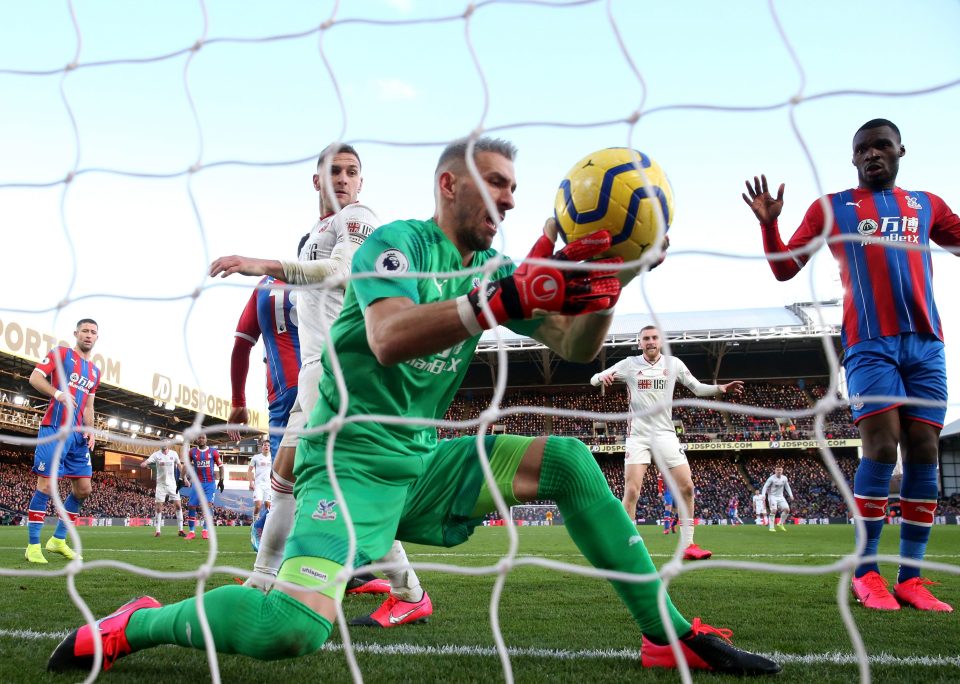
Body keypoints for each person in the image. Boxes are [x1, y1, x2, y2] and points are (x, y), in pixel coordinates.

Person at [47, 137, 779, 676]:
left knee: (571, 461)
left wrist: (608, 288)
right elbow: (389, 335)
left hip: (423, 463)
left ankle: (666, 634)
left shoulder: (491, 269)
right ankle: (140, 624)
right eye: (496, 184)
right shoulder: (395, 245)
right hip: (346, 469)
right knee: (288, 629)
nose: (512, 201)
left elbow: (575, 347)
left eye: (516, 190)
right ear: (450, 186)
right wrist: (499, 298)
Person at [742, 118, 959, 612]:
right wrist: (769, 223)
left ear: (901, 149)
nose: (873, 154)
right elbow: (783, 268)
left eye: (882, 146)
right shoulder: (834, 207)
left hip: (927, 344)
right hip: (869, 344)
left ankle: (912, 578)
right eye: (863, 149)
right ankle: (865, 573)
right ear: (853, 158)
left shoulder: (927, 205)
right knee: (882, 447)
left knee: (924, 449)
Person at [209, 143, 401, 616]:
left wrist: (262, 265)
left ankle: (268, 580)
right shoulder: (310, 235)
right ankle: (264, 579)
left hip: (344, 371)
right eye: (333, 171)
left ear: (360, 182)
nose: (342, 178)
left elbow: (339, 274)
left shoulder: (360, 217)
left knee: (316, 486)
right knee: (288, 484)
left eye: (351, 172)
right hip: (314, 374)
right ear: (316, 180)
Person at [590, 325, 744, 561]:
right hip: (638, 436)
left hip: (665, 434)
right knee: (631, 491)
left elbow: (696, 388)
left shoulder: (674, 365)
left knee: (688, 488)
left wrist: (720, 388)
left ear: (660, 341)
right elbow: (593, 380)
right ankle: (625, 546)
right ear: (639, 343)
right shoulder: (629, 364)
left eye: (654, 338)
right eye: (646, 339)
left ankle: (689, 545)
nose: (650, 342)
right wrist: (603, 376)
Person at [24, 318, 101, 564]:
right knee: (46, 487)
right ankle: (33, 546)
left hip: (78, 436)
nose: (89, 335)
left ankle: (57, 540)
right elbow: (35, 378)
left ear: (97, 338)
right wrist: (58, 393)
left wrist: (91, 429)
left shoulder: (95, 371)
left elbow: (89, 404)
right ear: (76, 333)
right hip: (55, 428)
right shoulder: (61, 353)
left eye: (93, 332)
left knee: (84, 489)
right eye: (85, 331)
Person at [182, 434, 224, 541]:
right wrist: (182, 478)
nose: (201, 439)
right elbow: (186, 465)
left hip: (209, 484)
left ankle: (205, 530)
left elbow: (221, 466)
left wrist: (221, 480)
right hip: (197, 483)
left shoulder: (213, 452)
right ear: (196, 439)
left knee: (208, 505)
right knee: (192, 505)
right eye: (199, 438)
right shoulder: (192, 452)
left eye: (203, 438)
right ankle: (191, 532)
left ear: (206, 439)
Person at [141, 442, 185, 537]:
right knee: (158, 508)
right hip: (161, 485)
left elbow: (179, 466)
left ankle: (181, 530)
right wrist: (144, 463)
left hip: (172, 485)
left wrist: (184, 478)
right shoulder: (156, 455)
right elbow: (148, 461)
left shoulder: (174, 453)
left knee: (178, 506)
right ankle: (158, 531)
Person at [760, 467, 793, 532]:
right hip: (772, 496)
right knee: (774, 510)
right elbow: (765, 486)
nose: (779, 471)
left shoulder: (784, 478)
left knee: (787, 510)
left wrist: (791, 495)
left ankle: (780, 523)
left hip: (781, 496)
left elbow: (787, 486)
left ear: (782, 471)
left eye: (780, 470)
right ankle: (771, 527)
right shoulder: (771, 479)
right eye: (777, 470)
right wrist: (763, 495)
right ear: (775, 471)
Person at [248, 441, 272, 523]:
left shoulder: (273, 457)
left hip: (269, 486)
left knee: (268, 508)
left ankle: (265, 527)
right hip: (258, 485)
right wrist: (251, 482)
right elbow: (249, 470)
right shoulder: (256, 457)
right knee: (258, 506)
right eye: (265, 445)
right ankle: (254, 524)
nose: (267, 447)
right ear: (262, 447)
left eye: (268, 445)